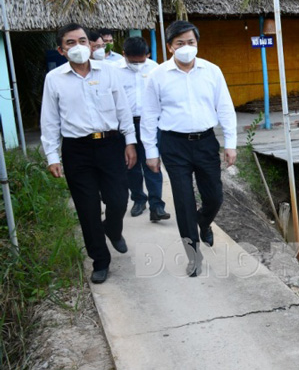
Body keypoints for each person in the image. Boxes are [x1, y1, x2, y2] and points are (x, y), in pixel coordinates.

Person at [40, 23, 137, 284]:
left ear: (91, 44)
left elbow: (123, 108)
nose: (78, 46)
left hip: (110, 144)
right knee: (87, 209)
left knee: (119, 199)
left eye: (82, 40)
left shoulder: (108, 72)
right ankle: (100, 261)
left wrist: (130, 141)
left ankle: (113, 228)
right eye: (71, 42)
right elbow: (49, 121)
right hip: (77, 150)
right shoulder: (54, 79)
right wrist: (52, 156)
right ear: (61, 50)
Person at [141, 21, 237, 277]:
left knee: (214, 197)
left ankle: (203, 222)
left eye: (190, 42)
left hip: (205, 142)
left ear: (197, 43)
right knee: (183, 202)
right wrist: (150, 151)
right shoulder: (157, 75)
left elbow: (225, 107)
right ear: (170, 46)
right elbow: (149, 114)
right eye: (180, 43)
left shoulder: (212, 71)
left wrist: (231, 143)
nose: (186, 48)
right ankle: (193, 255)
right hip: (173, 144)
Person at [116, 37, 170, 222]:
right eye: (133, 61)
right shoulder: (115, 71)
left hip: (151, 123)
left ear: (147, 55)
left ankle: (157, 206)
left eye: (141, 60)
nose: (138, 65)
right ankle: (139, 199)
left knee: (152, 163)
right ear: (124, 55)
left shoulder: (155, 68)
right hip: (126, 123)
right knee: (131, 164)